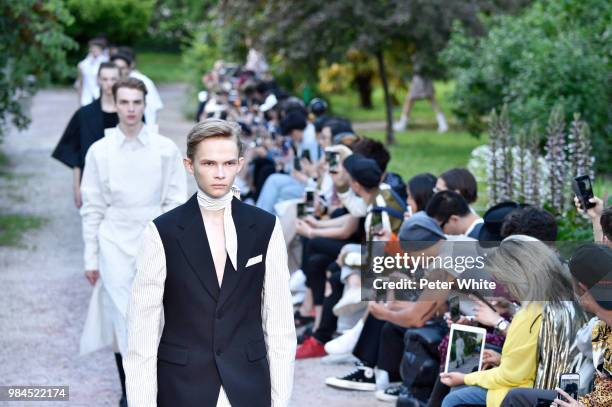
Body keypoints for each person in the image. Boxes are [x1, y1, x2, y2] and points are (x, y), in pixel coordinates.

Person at [124, 118, 296, 406]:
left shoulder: (265, 227)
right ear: (189, 165)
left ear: (240, 164)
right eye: (208, 164)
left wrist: (280, 402)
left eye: (228, 164)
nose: (219, 173)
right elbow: (142, 330)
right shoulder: (162, 232)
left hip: (248, 384)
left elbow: (279, 324)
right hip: (182, 385)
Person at [79, 77, 187, 407]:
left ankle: (150, 390)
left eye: (136, 103)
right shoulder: (100, 151)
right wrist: (91, 257)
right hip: (113, 241)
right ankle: (133, 394)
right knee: (123, 319)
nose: (130, 109)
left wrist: (173, 247)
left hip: (154, 239)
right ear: (114, 103)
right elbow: (92, 206)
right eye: (124, 102)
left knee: (155, 318)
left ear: (145, 105)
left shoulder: (165, 149)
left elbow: (176, 201)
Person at [439, 237, 577, 407]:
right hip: (555, 389)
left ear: (517, 276)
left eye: (503, 280)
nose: (503, 286)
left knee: (454, 398)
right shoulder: (564, 301)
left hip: (529, 391)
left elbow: (511, 376)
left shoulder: (530, 313)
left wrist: (465, 378)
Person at [52, 62, 120, 208]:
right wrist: (77, 187)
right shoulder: (84, 114)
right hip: (91, 181)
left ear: (120, 80)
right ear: (98, 80)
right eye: (105, 79)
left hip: (123, 181)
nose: (109, 83)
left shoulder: (130, 114)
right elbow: (76, 153)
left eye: (113, 79)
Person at [110, 50, 163, 126]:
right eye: (116, 67)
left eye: (122, 68)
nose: (119, 71)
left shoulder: (143, 81)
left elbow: (152, 108)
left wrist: (149, 129)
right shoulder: (108, 83)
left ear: (129, 68)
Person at [76, 37, 109, 106]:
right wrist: (79, 98)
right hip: (87, 95)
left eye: (96, 48)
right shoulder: (83, 64)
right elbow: (80, 82)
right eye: (92, 48)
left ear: (101, 50)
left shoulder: (105, 62)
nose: (94, 50)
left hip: (100, 94)